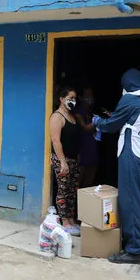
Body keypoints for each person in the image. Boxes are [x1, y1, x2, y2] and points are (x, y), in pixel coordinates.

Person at [93, 69, 140, 265]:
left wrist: (98, 121)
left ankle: (135, 250)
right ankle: (136, 243)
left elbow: (111, 125)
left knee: (131, 201)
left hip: (132, 154)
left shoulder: (131, 99)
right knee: (139, 200)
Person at [49, 86, 81, 236]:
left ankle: (71, 219)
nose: (73, 101)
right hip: (62, 160)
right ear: (61, 99)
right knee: (63, 190)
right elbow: (56, 141)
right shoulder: (57, 117)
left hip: (73, 159)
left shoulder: (72, 116)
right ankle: (64, 222)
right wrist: (63, 162)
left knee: (71, 191)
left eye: (74, 98)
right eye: (70, 98)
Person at [73, 87, 99, 189]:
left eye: (91, 95)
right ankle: (76, 204)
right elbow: (85, 128)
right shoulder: (77, 112)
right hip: (81, 152)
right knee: (77, 182)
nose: (89, 98)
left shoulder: (92, 112)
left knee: (89, 183)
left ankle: (85, 203)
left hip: (92, 151)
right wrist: (99, 122)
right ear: (81, 97)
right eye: (87, 95)